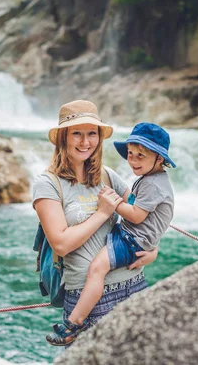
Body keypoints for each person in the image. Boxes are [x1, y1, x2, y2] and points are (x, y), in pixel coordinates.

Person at [32, 100, 158, 346]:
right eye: (77, 133)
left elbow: (142, 216)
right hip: (86, 298)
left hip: (134, 284)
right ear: (63, 138)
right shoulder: (47, 184)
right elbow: (61, 244)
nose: (85, 142)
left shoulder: (108, 175)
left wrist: (153, 249)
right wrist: (101, 213)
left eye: (92, 134)